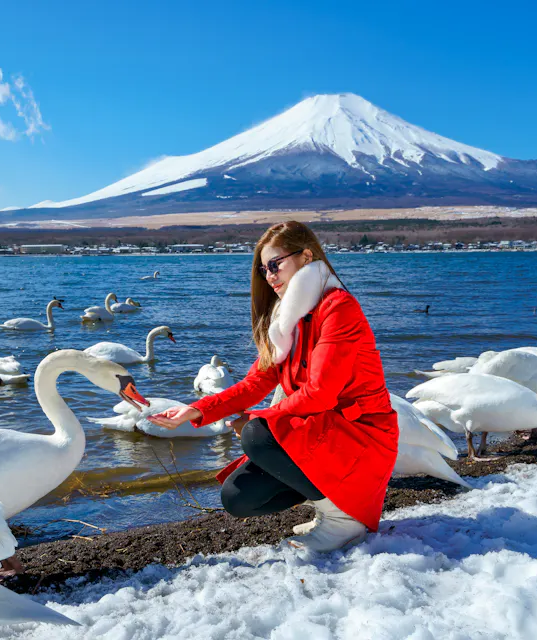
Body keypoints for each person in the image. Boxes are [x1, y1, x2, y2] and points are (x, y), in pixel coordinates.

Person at [149, 221, 398, 552]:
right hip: (323, 436)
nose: (268, 276)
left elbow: (320, 393)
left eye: (275, 264)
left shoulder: (338, 308)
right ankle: (330, 507)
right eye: (263, 269)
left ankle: (343, 520)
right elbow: (255, 383)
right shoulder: (287, 323)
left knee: (259, 434)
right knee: (238, 498)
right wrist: (194, 410)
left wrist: (255, 420)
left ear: (307, 257)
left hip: (359, 437)